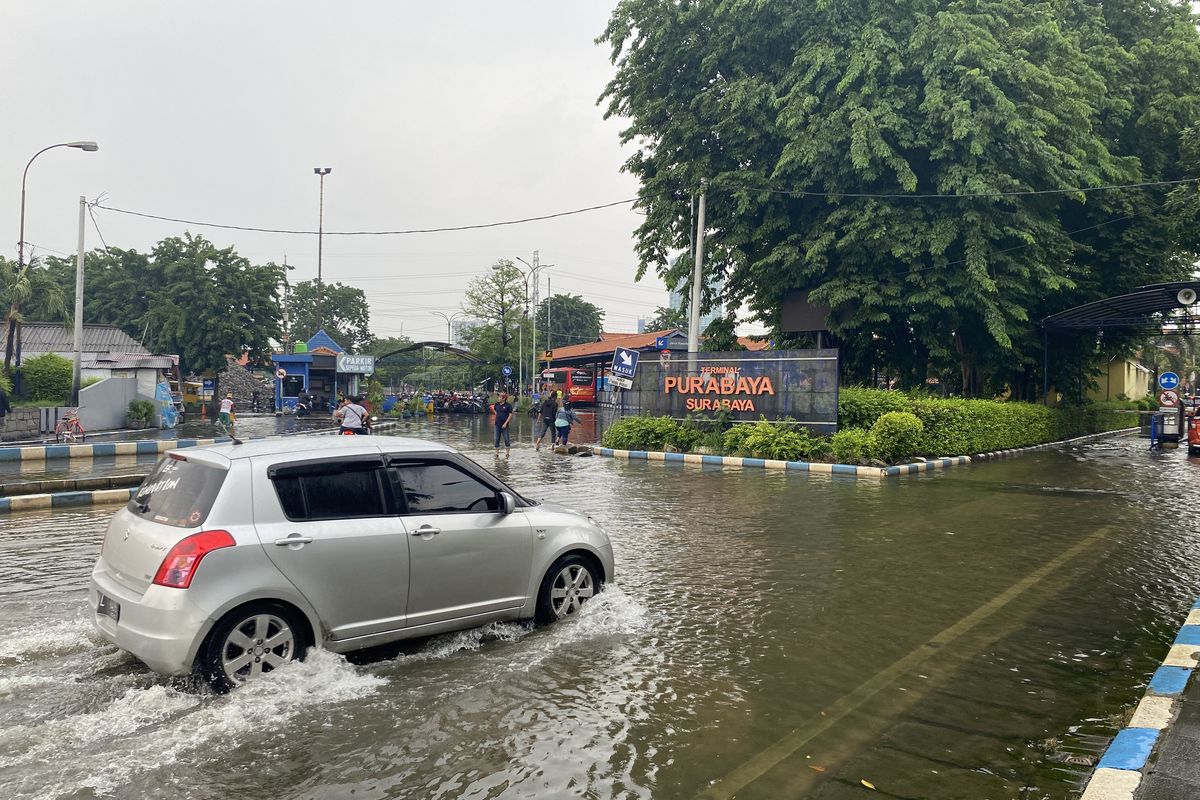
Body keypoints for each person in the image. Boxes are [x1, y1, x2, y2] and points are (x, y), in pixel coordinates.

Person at [493, 391, 514, 456]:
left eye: (500, 397)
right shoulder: (496, 404)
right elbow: (494, 409)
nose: (498, 398)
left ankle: (507, 453)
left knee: (506, 439)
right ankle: (497, 453)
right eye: (498, 397)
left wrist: (505, 423)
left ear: (503, 398)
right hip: (497, 424)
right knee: (496, 439)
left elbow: (510, 415)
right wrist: (496, 414)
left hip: (505, 425)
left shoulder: (508, 405)